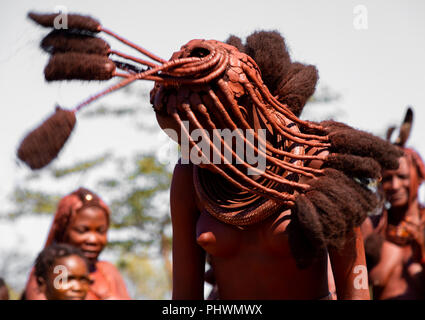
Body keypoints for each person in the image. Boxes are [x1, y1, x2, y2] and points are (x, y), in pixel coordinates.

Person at [23, 13, 402, 299]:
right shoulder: (191, 177)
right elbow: (185, 299)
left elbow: (356, 291)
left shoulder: (317, 165)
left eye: (206, 131)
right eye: (186, 134)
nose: (197, 147)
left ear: (242, 111)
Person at [23, 187, 130, 300]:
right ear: (63, 230)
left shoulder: (108, 272)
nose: (93, 240)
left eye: (100, 231)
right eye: (82, 230)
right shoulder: (48, 273)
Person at [367, 108, 425, 299]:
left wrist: (422, 251)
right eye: (388, 179)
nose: (395, 185)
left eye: (402, 176)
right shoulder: (373, 230)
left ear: (419, 176)